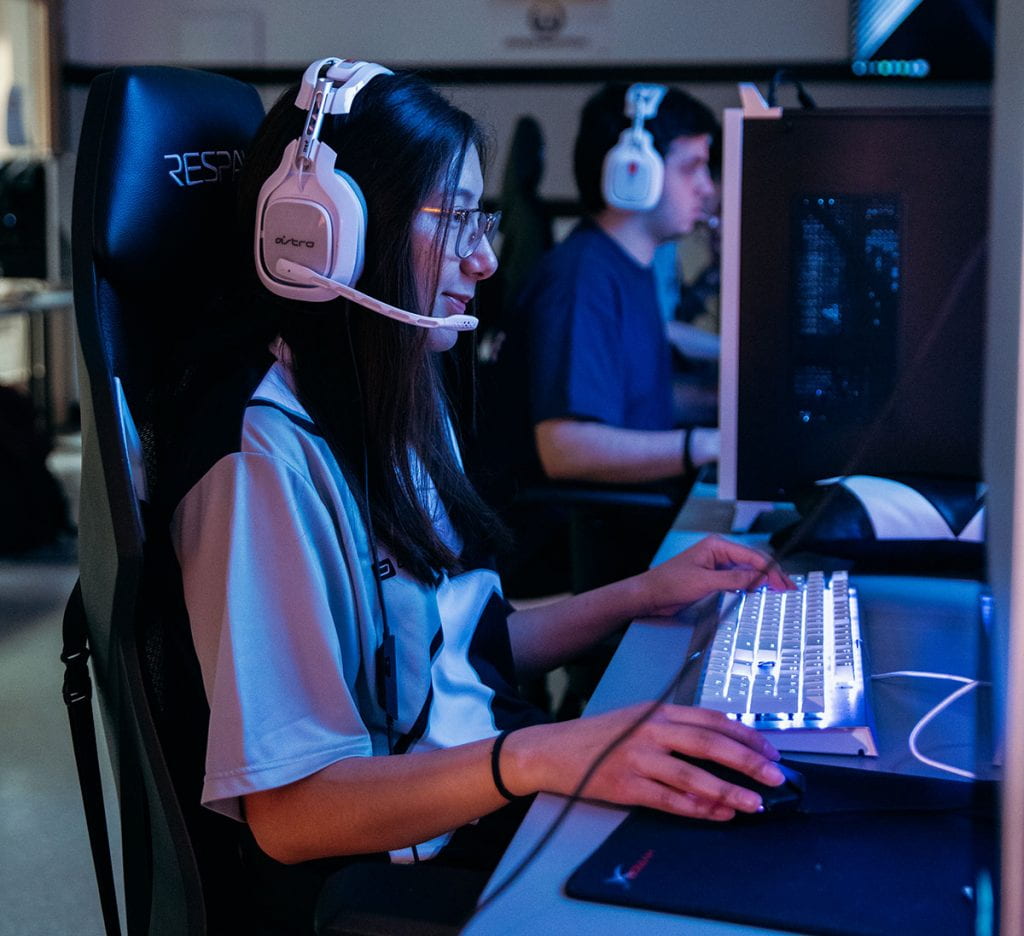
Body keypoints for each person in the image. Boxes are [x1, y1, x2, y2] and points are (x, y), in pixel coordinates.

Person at [167, 60, 790, 932]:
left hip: (490, 792)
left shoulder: (401, 395)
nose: (486, 257)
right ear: (331, 235)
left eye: (479, 216)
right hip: (400, 869)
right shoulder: (263, 460)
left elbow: (466, 649)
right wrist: (539, 756)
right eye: (455, 218)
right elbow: (290, 812)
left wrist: (642, 595)